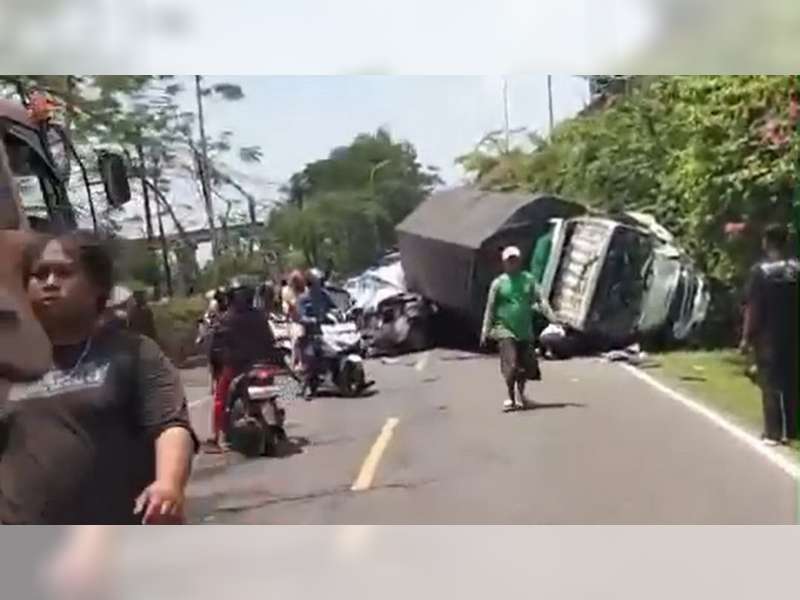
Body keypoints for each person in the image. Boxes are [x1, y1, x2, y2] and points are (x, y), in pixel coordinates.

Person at [0, 231, 197, 524]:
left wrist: (169, 485)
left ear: (97, 287)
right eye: (39, 274)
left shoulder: (133, 353)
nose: (50, 282)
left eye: (64, 272)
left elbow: (171, 426)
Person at [740, 223, 799, 446]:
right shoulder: (796, 269)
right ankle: (793, 430)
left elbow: (753, 308)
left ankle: (773, 431)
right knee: (792, 381)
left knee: (771, 383)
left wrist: (746, 338)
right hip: (793, 333)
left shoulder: (760, 272)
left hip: (768, 335)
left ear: (767, 242)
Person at [480, 245, 556, 412]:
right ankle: (510, 396)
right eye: (509, 261)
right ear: (504, 263)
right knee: (511, 364)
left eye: (515, 260)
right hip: (504, 328)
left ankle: (521, 395)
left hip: (524, 330)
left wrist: (551, 316)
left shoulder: (528, 280)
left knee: (526, 366)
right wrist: (485, 330)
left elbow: (541, 299)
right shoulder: (498, 284)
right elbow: (490, 308)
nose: (512, 263)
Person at [206, 280, 276, 452]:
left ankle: (216, 437)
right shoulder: (260, 316)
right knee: (278, 390)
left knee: (220, 399)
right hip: (262, 364)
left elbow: (214, 344)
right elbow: (271, 341)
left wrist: (215, 357)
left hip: (235, 367)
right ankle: (278, 417)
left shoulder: (226, 319)